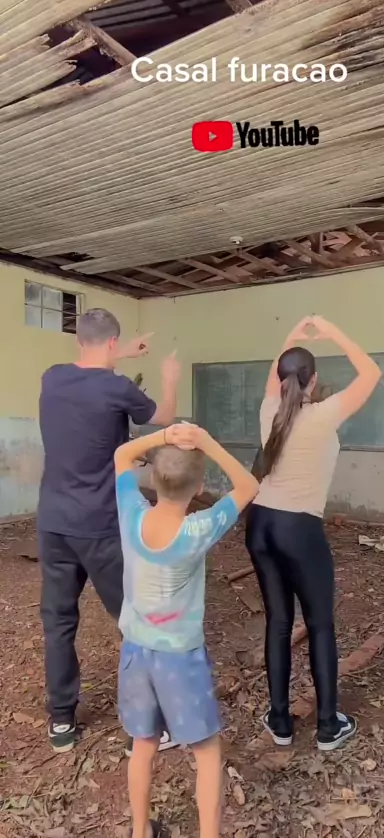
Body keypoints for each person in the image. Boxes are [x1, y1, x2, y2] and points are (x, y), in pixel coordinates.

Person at [37, 308, 180, 753]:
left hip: (54, 524)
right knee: (133, 622)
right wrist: (169, 377)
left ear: (78, 339)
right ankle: (148, 723)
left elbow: (91, 374)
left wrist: (122, 353)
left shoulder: (52, 378)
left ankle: (62, 721)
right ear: (114, 343)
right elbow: (163, 415)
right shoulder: (118, 388)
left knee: (59, 624)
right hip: (101, 525)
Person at [114, 421, 259, 838]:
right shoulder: (199, 528)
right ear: (198, 489)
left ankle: (140, 831)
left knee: (143, 744)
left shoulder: (131, 513)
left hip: (135, 652)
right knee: (207, 753)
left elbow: (122, 455)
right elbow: (248, 486)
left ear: (153, 479)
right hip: (180, 659)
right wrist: (207, 442)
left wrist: (164, 437)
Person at [245, 315, 382, 752]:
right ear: (314, 380)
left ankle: (280, 721)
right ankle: (327, 726)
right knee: (320, 624)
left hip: (260, 525)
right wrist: (330, 330)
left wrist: (294, 334)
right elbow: (371, 372)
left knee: (278, 622)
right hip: (298, 529)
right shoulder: (324, 415)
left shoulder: (268, 409)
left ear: (280, 377)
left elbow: (277, 370)